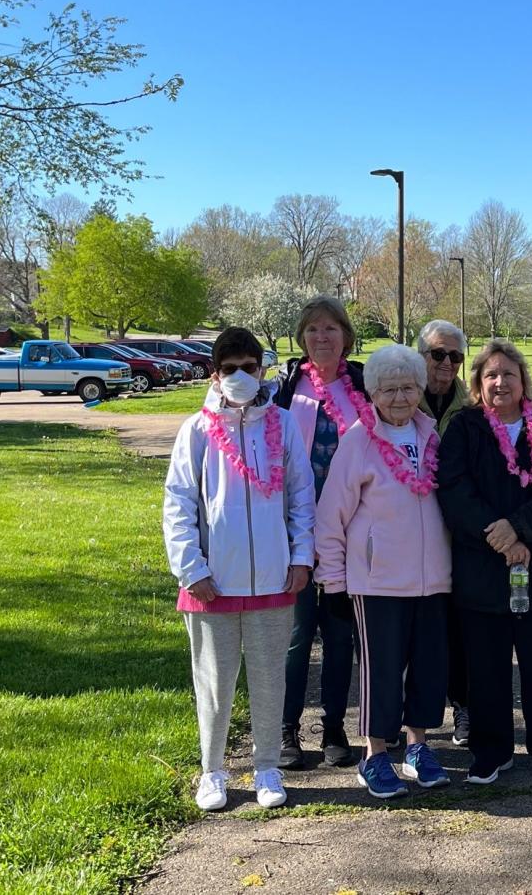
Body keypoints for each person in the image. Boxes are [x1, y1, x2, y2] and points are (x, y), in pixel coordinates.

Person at [163, 327, 316, 811]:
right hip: (214, 583)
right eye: (229, 369)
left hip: (273, 578)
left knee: (271, 678)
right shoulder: (197, 430)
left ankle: (267, 766)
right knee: (213, 680)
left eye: (248, 367)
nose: (240, 376)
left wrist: (300, 556)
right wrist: (192, 569)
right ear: (215, 373)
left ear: (262, 369)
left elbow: (301, 496)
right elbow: (179, 504)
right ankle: (212, 771)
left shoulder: (284, 425)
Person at [436, 339, 532, 784]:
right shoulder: (463, 428)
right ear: (478, 383)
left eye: (509, 374)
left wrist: (519, 530)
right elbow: (454, 491)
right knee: (486, 670)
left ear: (523, 382)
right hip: (481, 572)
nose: (500, 382)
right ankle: (491, 750)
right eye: (491, 375)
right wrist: (498, 537)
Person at [314, 344, 452, 799]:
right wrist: (333, 581)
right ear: (373, 392)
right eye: (389, 389)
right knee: (382, 671)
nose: (400, 398)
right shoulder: (358, 440)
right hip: (377, 581)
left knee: (429, 669)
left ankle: (418, 747)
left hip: (433, 579)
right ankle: (373, 755)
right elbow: (331, 516)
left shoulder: (430, 435)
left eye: (409, 388)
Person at [272, 296, 365, 770]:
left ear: (346, 336)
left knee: (341, 633)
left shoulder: (362, 386)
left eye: (331, 329)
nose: (321, 337)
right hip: (296, 530)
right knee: (295, 634)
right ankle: (286, 727)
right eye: (312, 330)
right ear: (302, 338)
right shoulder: (287, 389)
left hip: (350, 529)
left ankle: (334, 727)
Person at [416, 319, 472, 746]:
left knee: (458, 627)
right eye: (438, 354)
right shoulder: (397, 400)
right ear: (421, 356)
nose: (447, 363)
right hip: (406, 533)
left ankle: (463, 707)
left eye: (455, 356)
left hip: (455, 535)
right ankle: (400, 716)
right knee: (406, 628)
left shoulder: (470, 410)